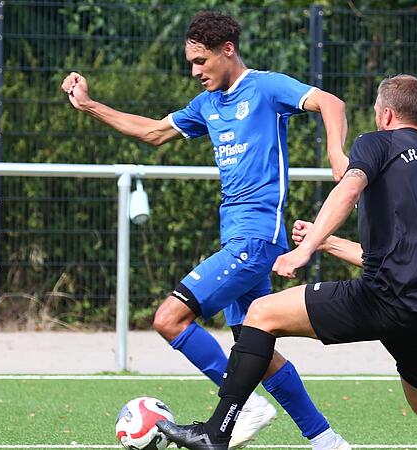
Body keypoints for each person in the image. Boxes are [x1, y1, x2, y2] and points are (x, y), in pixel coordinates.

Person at [158, 74, 417, 450]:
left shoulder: (376, 143)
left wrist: (304, 251)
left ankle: (216, 432)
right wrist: (326, 242)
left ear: (386, 114)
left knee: (259, 314)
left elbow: (349, 188)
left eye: (375, 110)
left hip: (383, 297)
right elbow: (389, 257)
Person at [61, 10, 351, 450]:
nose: (195, 72)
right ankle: (327, 440)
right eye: (191, 63)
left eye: (201, 61)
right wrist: (88, 105)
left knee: (169, 318)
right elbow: (154, 133)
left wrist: (335, 153)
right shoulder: (207, 105)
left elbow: (332, 103)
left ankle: (244, 404)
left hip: (256, 239)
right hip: (235, 238)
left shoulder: (267, 87)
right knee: (259, 351)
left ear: (227, 51)